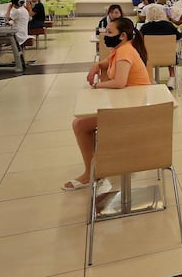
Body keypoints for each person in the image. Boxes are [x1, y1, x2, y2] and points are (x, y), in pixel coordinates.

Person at [63, 17, 150, 191]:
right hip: (128, 102)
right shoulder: (121, 49)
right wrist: (97, 65)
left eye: (110, 32)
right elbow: (110, 64)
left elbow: (119, 82)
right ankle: (97, 166)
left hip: (133, 110)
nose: (105, 35)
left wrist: (97, 85)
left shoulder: (125, 52)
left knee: (79, 125)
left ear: (123, 35)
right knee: (80, 123)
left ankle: (92, 173)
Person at [141, 4, 182, 89]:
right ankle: (171, 78)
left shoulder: (145, 27)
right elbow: (178, 37)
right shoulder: (169, 25)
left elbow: (139, 40)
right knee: (170, 52)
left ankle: (150, 78)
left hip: (149, 57)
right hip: (168, 57)